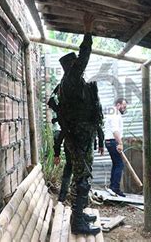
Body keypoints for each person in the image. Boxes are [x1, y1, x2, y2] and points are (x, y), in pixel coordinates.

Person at [51, 13, 104, 235]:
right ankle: (77, 222)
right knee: (81, 177)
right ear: (70, 67)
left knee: (85, 174)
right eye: (75, 64)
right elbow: (84, 57)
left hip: (83, 136)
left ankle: (80, 212)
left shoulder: (74, 84)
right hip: (77, 137)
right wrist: (88, 30)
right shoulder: (71, 80)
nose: (78, 66)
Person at [103, 98, 128, 197]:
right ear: (118, 105)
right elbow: (115, 131)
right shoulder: (115, 114)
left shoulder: (114, 113)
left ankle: (113, 187)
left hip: (111, 141)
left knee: (116, 163)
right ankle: (115, 188)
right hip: (113, 141)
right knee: (119, 164)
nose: (124, 109)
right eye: (124, 106)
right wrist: (120, 143)